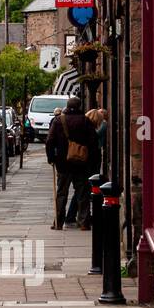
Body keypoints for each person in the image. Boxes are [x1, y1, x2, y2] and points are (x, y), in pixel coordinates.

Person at [46, 95, 101, 230]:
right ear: (79, 106)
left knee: (61, 194)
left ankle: (58, 222)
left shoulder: (58, 121)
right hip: (81, 163)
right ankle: (83, 222)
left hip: (63, 164)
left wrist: (51, 157)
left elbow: (49, 141)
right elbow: (93, 143)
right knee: (82, 194)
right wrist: (91, 161)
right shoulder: (85, 121)